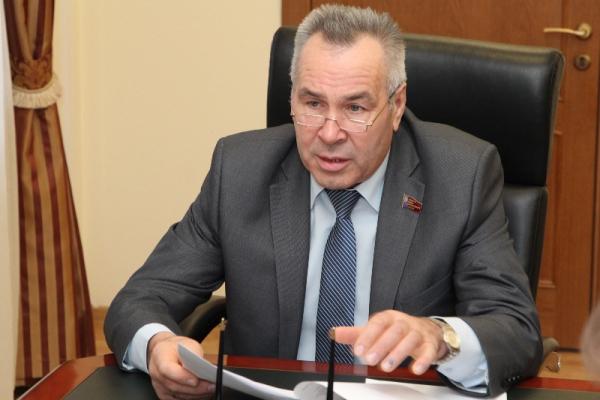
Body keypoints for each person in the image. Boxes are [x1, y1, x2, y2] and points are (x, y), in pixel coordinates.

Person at [105, 4, 542, 399]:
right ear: (291, 97)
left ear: (397, 105)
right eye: (313, 103)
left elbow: (516, 330)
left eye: (355, 109)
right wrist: (158, 345)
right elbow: (140, 299)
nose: (330, 133)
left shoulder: (461, 175)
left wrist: (439, 336)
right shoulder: (239, 171)